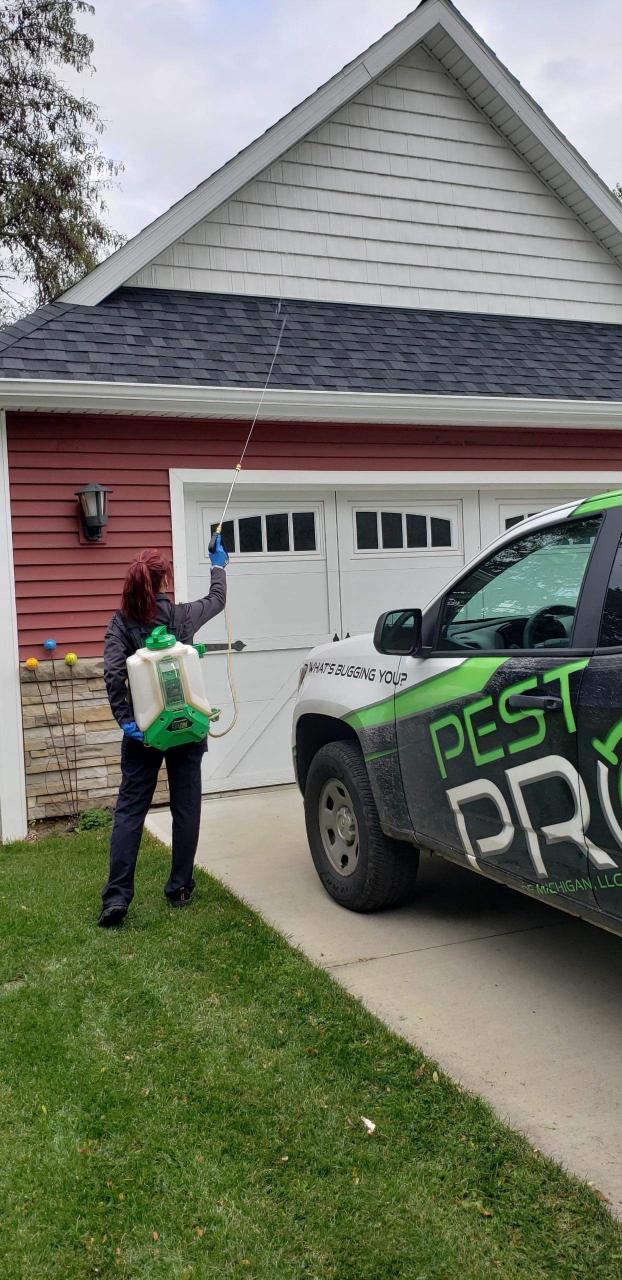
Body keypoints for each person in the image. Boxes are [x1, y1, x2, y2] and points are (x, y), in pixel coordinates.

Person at [99, 537, 228, 927]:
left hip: (144, 732)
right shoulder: (183, 616)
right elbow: (218, 599)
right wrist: (218, 563)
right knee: (185, 807)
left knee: (130, 810)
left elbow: (112, 673)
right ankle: (180, 887)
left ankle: (117, 899)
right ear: (163, 580)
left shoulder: (121, 623)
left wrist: (126, 720)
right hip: (186, 729)